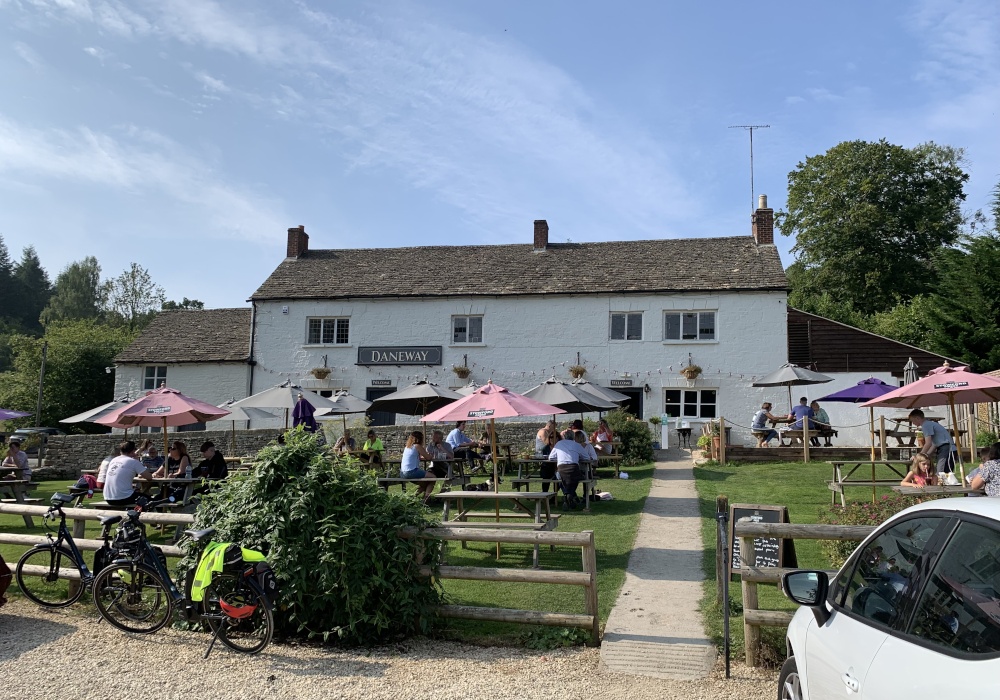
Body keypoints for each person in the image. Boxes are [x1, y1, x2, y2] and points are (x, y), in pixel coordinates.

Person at [909, 409, 959, 484]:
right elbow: (934, 444)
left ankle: (943, 491)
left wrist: (918, 456)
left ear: (917, 418)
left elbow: (928, 443)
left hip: (947, 449)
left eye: (913, 421)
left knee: (941, 472)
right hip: (945, 448)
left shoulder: (925, 425)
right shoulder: (929, 424)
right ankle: (943, 490)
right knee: (942, 472)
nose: (913, 423)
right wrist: (927, 456)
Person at [103, 440, 153, 506]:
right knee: (150, 500)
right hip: (124, 497)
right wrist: (137, 460)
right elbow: (149, 477)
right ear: (133, 451)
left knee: (138, 495)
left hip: (108, 497)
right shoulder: (133, 462)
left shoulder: (114, 460)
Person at [549, 429, 590, 509]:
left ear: (564, 436)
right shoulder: (577, 445)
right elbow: (587, 457)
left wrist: (560, 457)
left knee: (558, 477)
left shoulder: (559, 444)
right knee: (577, 478)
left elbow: (551, 457)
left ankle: (567, 494)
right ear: (573, 437)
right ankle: (570, 495)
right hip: (574, 468)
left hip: (561, 469)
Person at [400, 431, 436, 501]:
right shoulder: (417, 446)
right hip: (411, 471)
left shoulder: (407, 447)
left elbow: (415, 457)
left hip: (402, 473)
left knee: (425, 483)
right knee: (433, 477)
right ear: (420, 439)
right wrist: (431, 455)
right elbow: (428, 458)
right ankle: (426, 498)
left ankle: (413, 497)